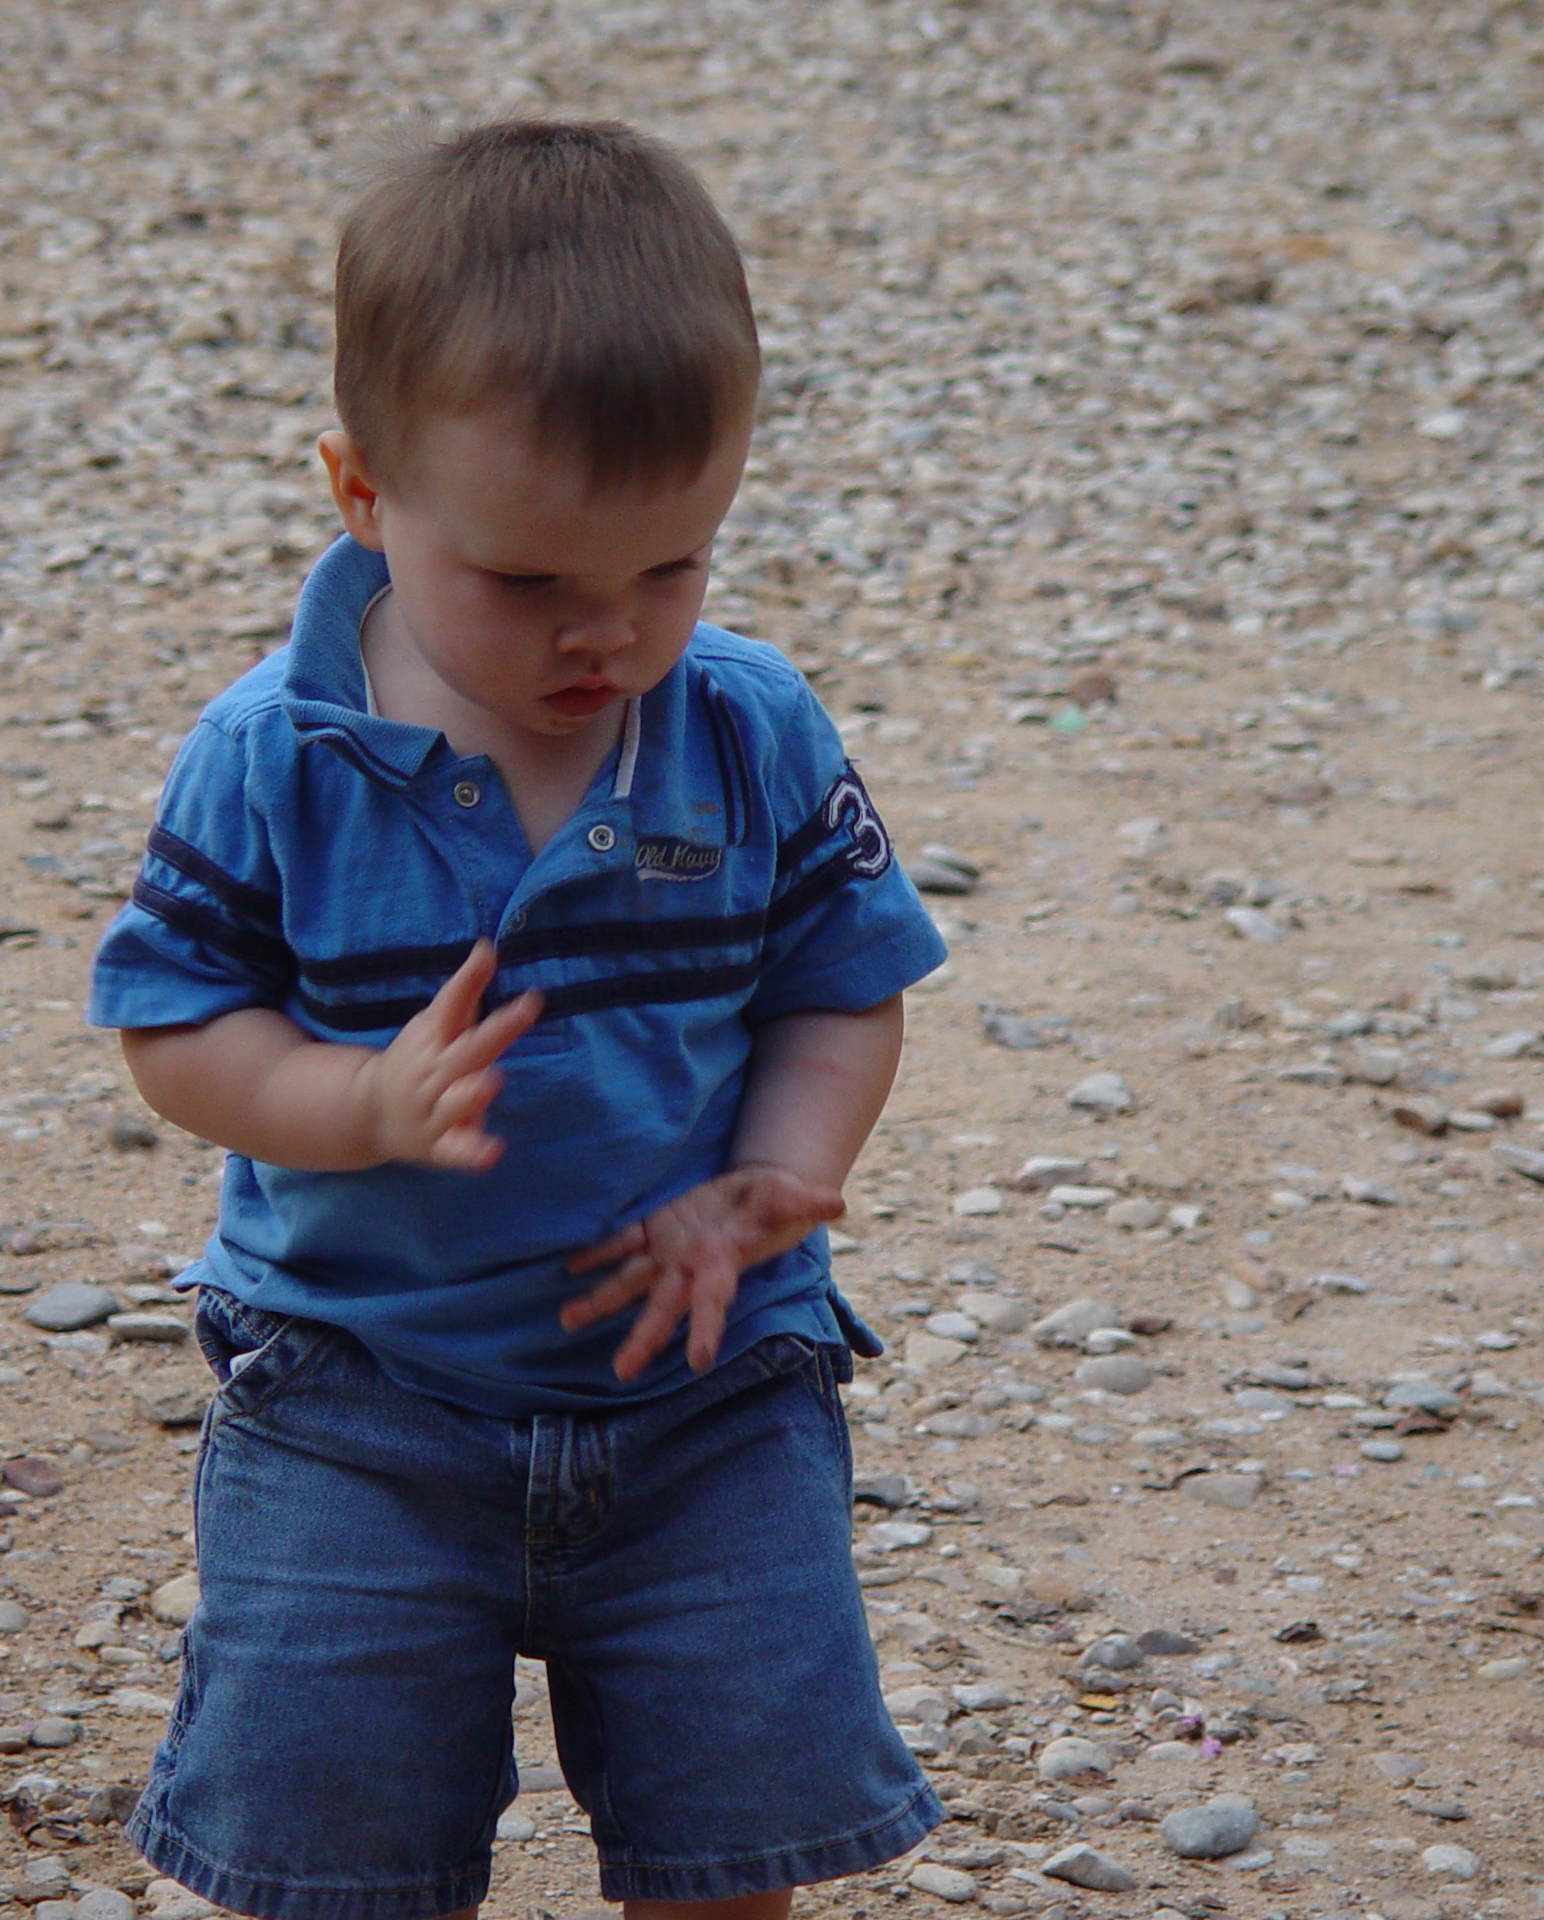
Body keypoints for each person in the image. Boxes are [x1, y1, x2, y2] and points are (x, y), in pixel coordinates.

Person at [86, 118, 947, 1920]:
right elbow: (176, 1031)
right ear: (362, 498)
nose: (609, 636)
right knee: (326, 1851)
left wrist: (779, 1171)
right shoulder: (278, 759)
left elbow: (840, 983)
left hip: (710, 1394)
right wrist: (351, 1103)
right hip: (359, 1397)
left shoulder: (746, 728)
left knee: (738, 1848)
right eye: (531, 582)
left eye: (670, 568)